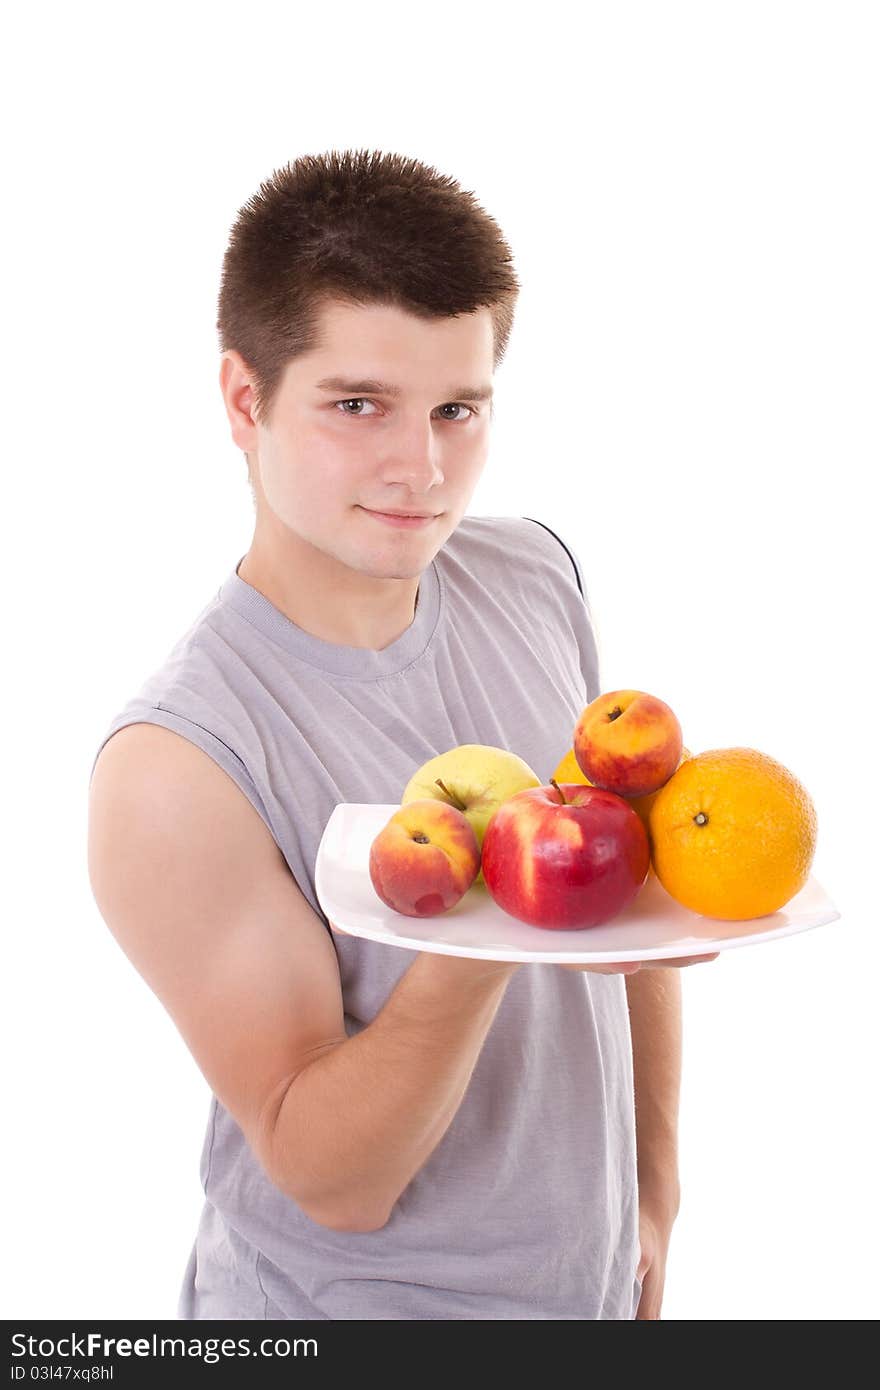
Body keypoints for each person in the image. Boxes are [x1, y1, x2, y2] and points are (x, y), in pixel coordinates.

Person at [87, 148, 717, 1322]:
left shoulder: (533, 576)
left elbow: (621, 911)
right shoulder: (177, 767)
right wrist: (485, 930)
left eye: (457, 409)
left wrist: (655, 1191)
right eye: (357, 405)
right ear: (244, 400)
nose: (421, 470)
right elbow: (335, 1179)